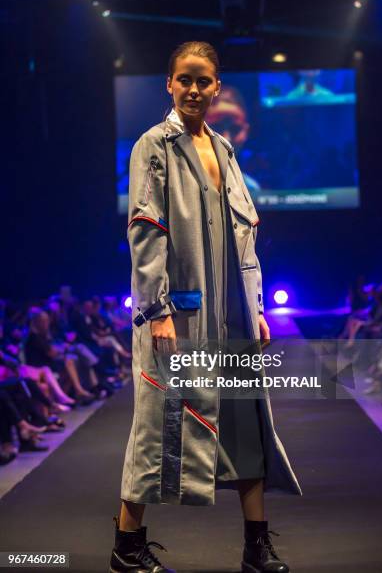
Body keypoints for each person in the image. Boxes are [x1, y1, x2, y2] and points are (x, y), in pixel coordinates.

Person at [109, 41, 302, 573]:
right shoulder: (154, 145)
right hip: (180, 315)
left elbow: (245, 238)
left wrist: (257, 307)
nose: (194, 89)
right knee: (158, 427)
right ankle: (126, 547)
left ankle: (256, 545)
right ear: (169, 85)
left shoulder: (226, 150)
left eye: (203, 81)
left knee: (245, 422)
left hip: (232, 312)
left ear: (216, 87)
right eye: (184, 80)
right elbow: (146, 231)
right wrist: (157, 310)